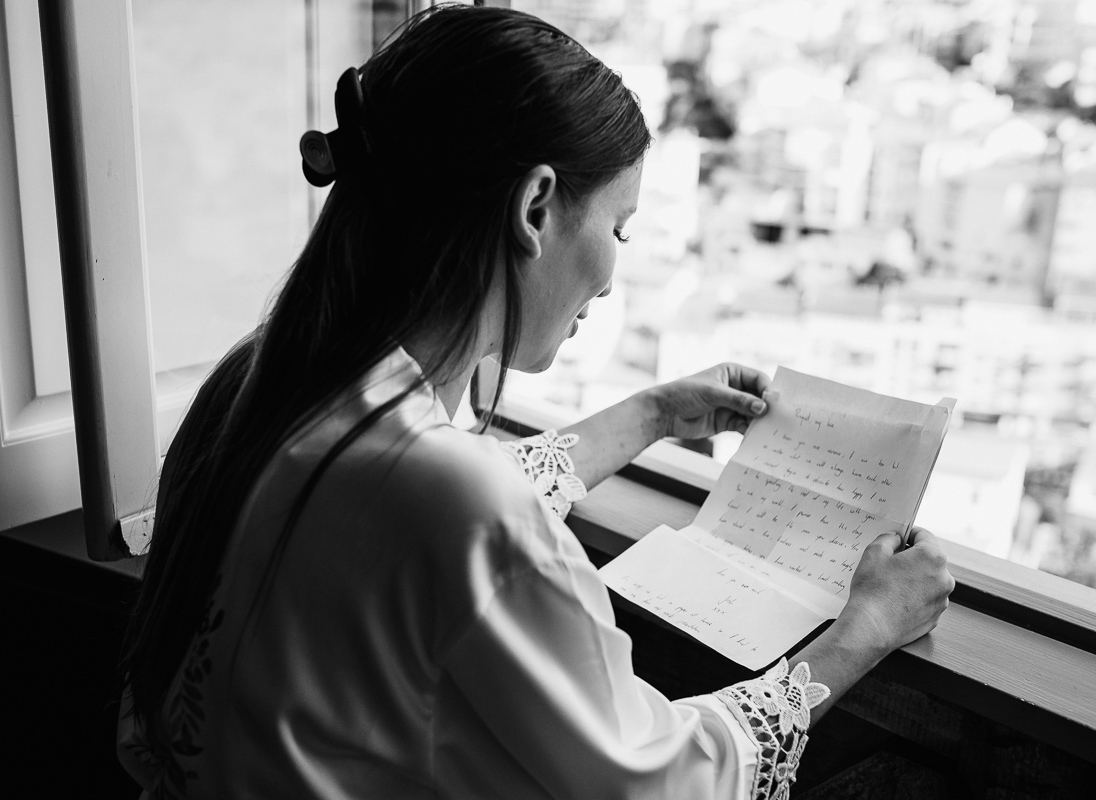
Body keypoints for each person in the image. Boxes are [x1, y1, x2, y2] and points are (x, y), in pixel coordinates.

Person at [117, 6, 955, 799]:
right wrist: (864, 632)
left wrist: (653, 415)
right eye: (619, 230)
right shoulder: (453, 503)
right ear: (536, 207)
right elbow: (660, 782)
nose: (615, 271)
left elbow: (437, 510)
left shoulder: (262, 382)